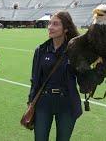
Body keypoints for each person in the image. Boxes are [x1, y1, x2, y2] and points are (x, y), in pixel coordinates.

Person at [28, 11, 82, 141]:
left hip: (67, 102)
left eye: (55, 24)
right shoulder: (41, 50)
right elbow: (35, 80)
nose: (50, 27)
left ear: (66, 29)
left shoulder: (74, 51)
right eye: (50, 23)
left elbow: (83, 77)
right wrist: (31, 103)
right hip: (43, 101)